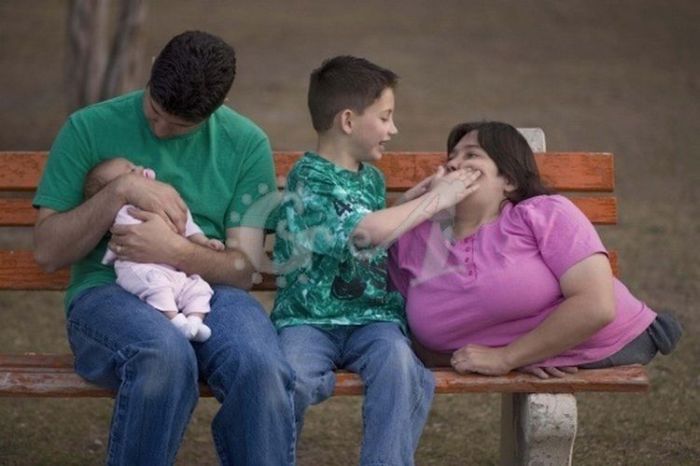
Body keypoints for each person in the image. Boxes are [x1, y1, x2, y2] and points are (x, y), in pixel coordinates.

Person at [33, 31, 295, 465]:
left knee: (259, 365)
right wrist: (120, 190)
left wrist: (175, 250)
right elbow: (47, 253)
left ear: (217, 108)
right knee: (163, 356)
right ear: (153, 66)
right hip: (108, 292)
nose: (160, 130)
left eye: (179, 126)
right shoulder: (88, 127)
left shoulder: (246, 143)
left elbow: (243, 270)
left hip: (208, 292)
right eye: (155, 112)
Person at [271, 56, 481, 466]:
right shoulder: (308, 177)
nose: (393, 129)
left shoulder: (370, 178)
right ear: (348, 121)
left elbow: (370, 225)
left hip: (372, 320)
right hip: (308, 322)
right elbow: (363, 232)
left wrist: (415, 199)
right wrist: (438, 199)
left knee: (401, 368)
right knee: (288, 379)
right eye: (385, 117)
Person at [388, 121, 682, 379]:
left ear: (509, 180)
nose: (453, 164)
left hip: (611, 339)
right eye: (451, 158)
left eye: (472, 155)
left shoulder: (543, 213)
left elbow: (597, 305)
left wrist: (508, 357)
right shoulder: (415, 236)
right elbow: (398, 324)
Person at [85, 157, 225, 342]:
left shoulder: (167, 203)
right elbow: (123, 235)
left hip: (174, 271)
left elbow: (187, 225)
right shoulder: (123, 211)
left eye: (134, 166)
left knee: (198, 288)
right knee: (155, 286)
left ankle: (194, 322)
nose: (139, 168)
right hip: (140, 268)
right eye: (130, 172)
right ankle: (175, 320)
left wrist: (204, 242)